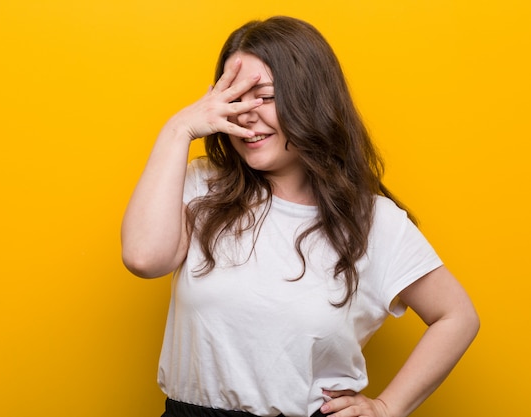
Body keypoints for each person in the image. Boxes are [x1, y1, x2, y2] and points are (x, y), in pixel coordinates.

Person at [121, 16, 479, 417]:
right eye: (233, 98)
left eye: (265, 96)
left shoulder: (371, 222)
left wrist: (387, 407)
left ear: (310, 99)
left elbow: (458, 316)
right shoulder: (202, 184)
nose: (244, 114)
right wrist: (178, 129)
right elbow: (143, 258)